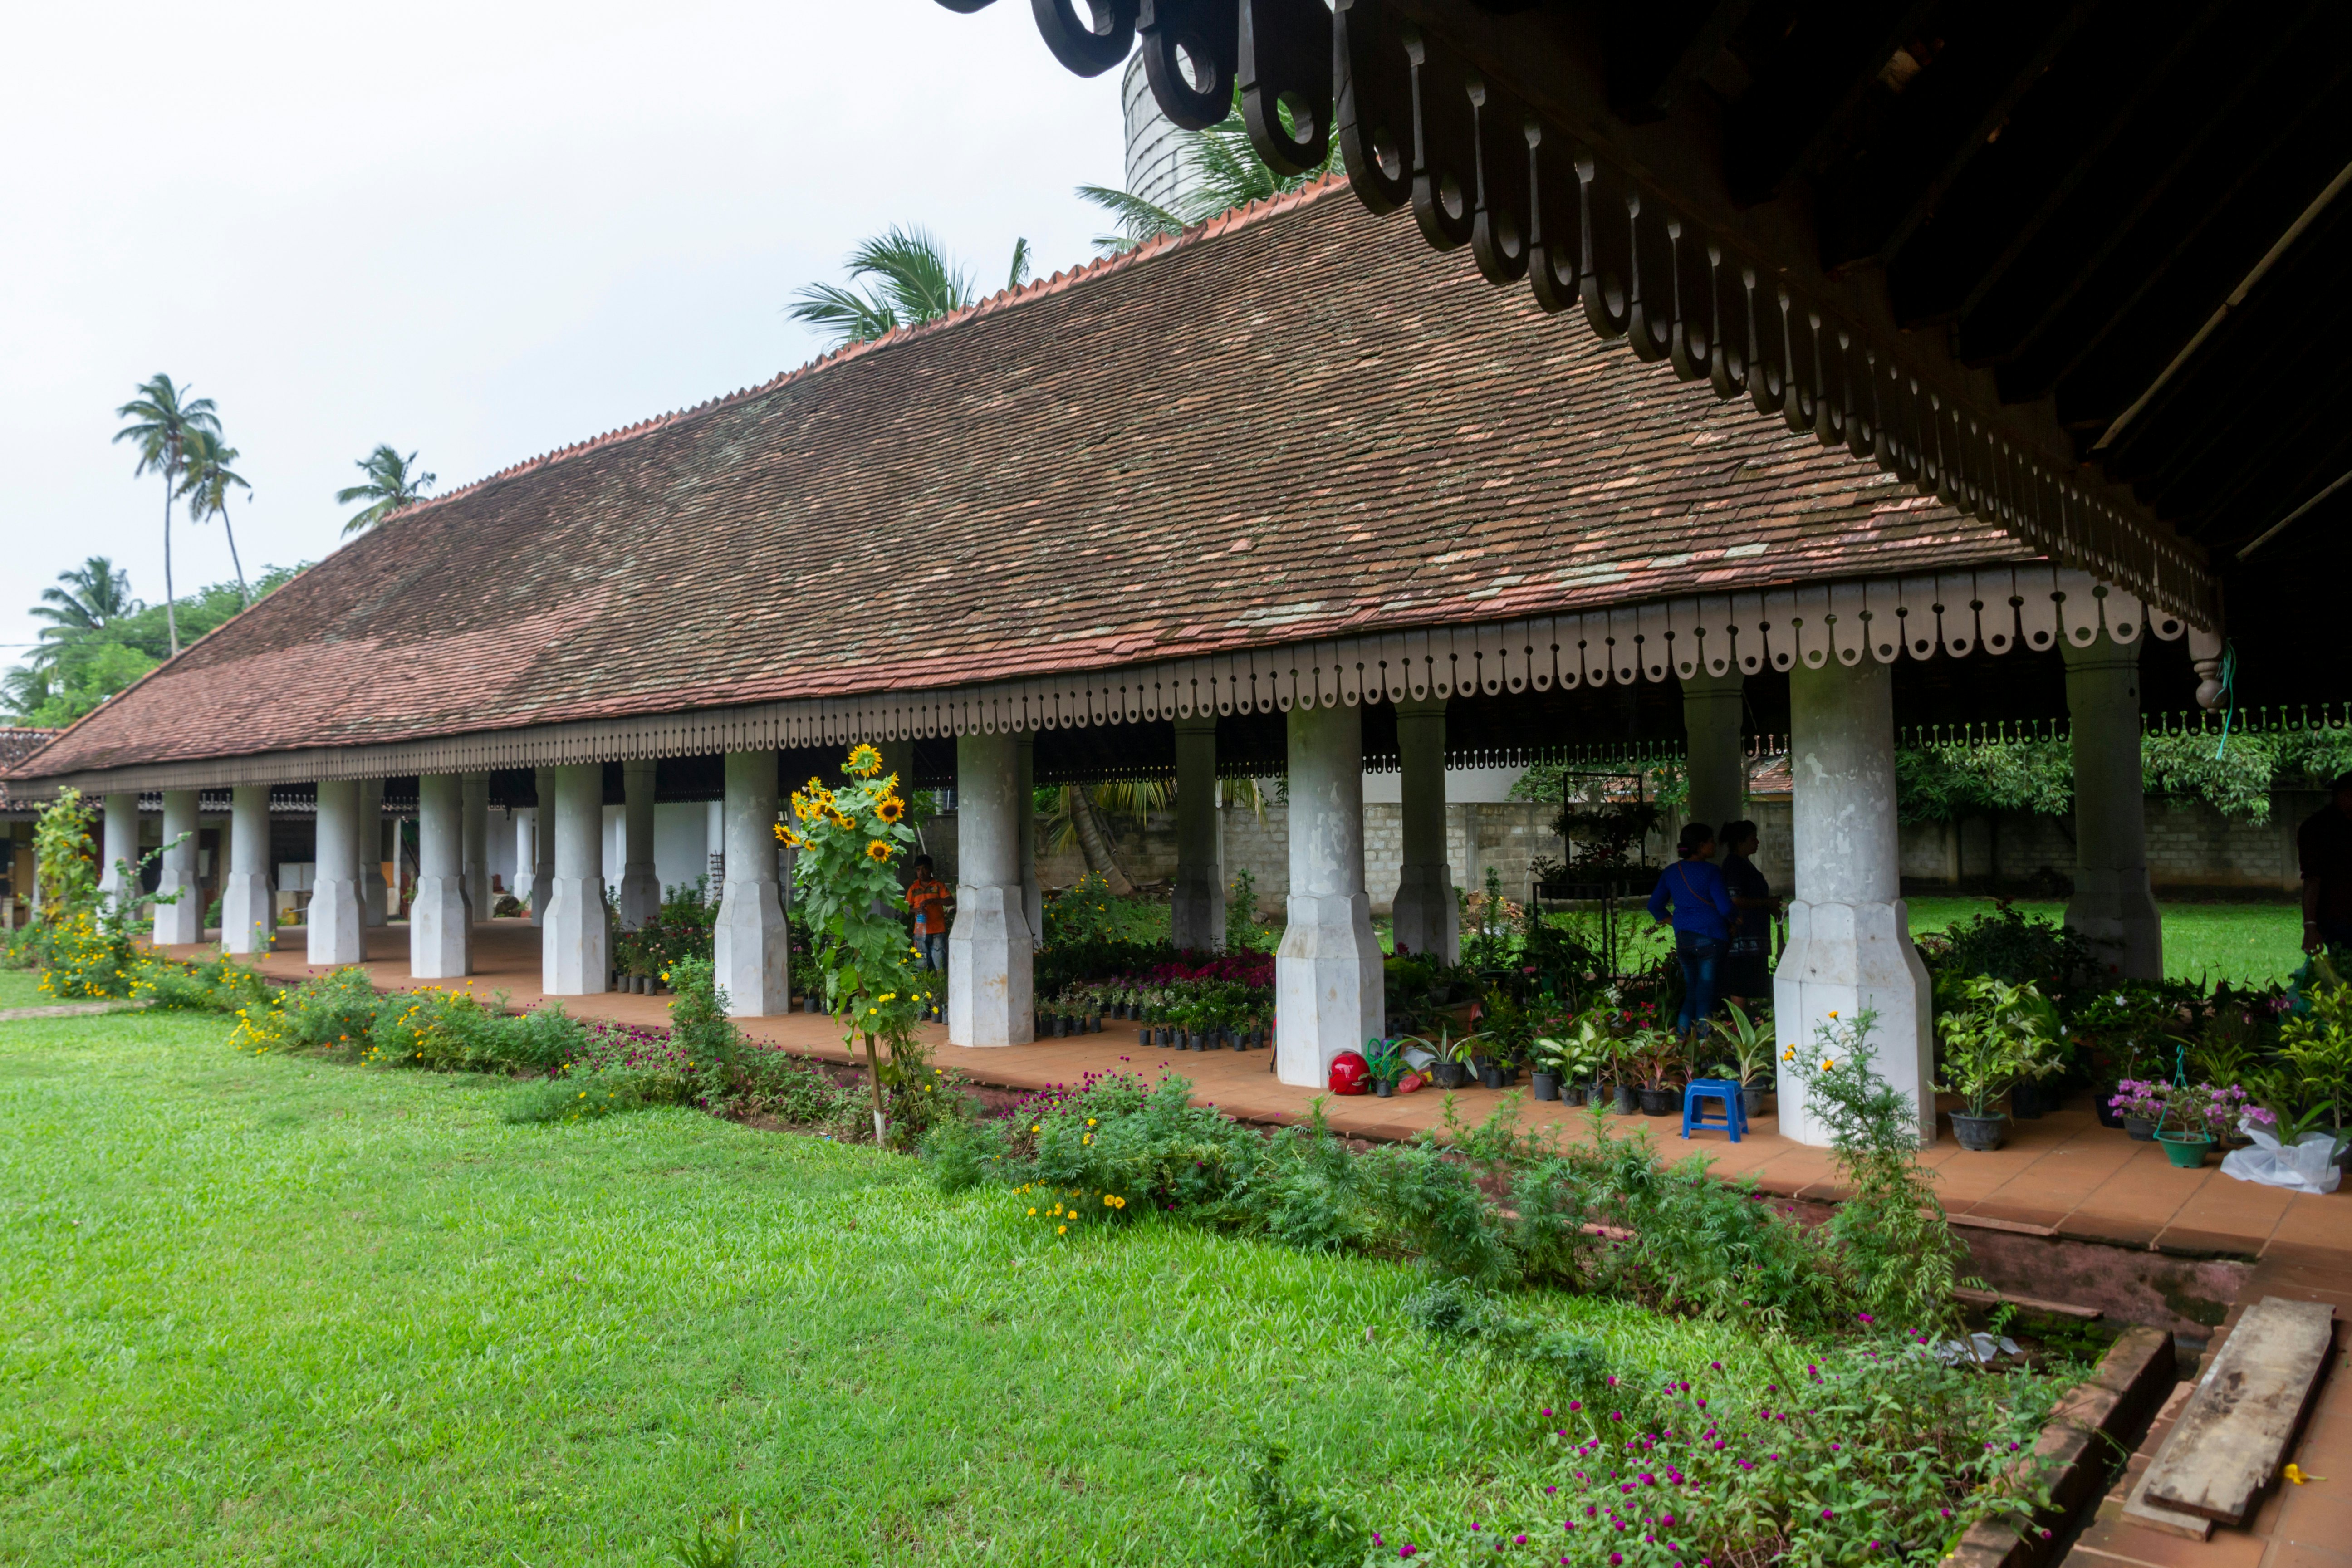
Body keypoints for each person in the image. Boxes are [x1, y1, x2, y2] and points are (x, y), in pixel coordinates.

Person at [1646, 821, 1736, 1039]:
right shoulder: (1712, 871)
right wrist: (1735, 919)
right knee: (1706, 995)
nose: (1715, 846)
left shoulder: (1671, 872)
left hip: (1684, 940)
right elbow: (1725, 908)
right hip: (1711, 938)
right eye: (1712, 842)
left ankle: (1681, 1043)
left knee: (1692, 993)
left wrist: (1676, 922)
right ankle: (1704, 1047)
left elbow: (1654, 906)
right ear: (1702, 846)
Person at [1717, 818, 1779, 1009]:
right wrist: (1767, 903)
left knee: (1747, 982)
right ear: (1740, 842)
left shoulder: (1745, 863)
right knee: (1740, 983)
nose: (1758, 842)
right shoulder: (1734, 864)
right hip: (1742, 936)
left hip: (1753, 934)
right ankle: (1739, 1024)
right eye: (1753, 839)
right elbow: (1735, 899)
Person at [2300, 771, 2352, 956]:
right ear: (2341, 796)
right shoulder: (2317, 828)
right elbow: (2312, 879)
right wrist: (2310, 926)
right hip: (2337, 918)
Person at [905, 856, 953, 1016]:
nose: (921, 872)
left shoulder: (938, 886)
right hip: (920, 933)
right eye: (918, 870)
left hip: (938, 931)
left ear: (931, 869)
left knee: (940, 968)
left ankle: (941, 1004)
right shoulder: (913, 888)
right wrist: (916, 910)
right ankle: (924, 1005)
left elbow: (950, 900)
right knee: (922, 968)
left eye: (924, 869)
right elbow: (906, 908)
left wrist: (933, 901)